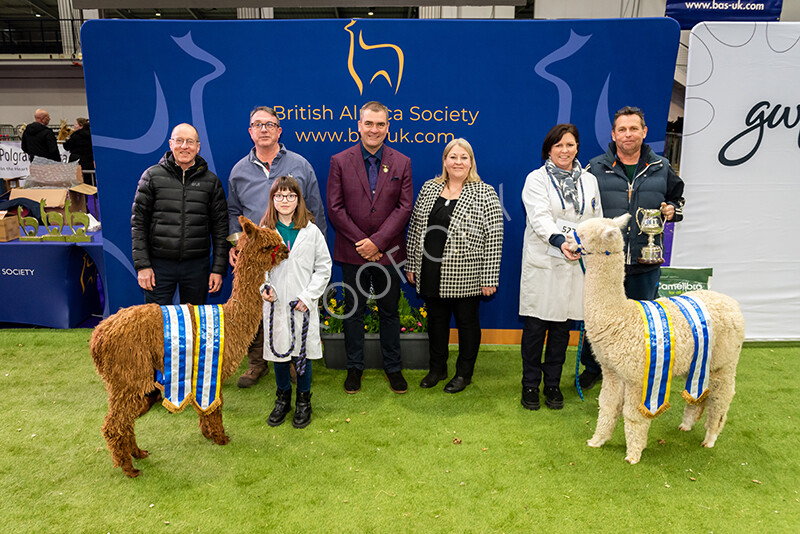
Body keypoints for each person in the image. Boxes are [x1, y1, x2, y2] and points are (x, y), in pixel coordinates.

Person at [579, 106, 685, 389]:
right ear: (613, 134)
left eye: (634, 128)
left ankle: (640, 368)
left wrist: (672, 209)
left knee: (643, 321)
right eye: (622, 129)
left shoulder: (662, 167)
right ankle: (592, 368)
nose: (628, 134)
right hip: (605, 264)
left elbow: (678, 198)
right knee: (601, 319)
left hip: (645, 259)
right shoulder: (595, 167)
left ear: (644, 131)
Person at [228, 106, 327, 389]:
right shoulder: (239, 171)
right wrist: (238, 246)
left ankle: (295, 361)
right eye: (257, 124)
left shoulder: (300, 165)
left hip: (294, 249)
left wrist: (312, 248)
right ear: (250, 131)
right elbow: (232, 212)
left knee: (292, 306)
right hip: (256, 257)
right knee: (256, 305)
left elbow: (315, 210)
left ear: (279, 130)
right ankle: (257, 363)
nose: (264, 129)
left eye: (270, 124)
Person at [327, 101, 413, 395]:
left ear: (388, 127)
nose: (374, 130)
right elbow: (335, 209)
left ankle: (393, 368)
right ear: (358, 125)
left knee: (390, 312)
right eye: (368, 124)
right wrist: (363, 243)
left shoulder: (402, 162)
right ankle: (354, 368)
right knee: (353, 311)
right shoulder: (340, 160)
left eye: (380, 124)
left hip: (388, 253)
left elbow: (404, 208)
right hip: (353, 252)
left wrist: (378, 242)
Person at [405, 138, 503, 394]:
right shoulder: (429, 188)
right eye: (453, 157)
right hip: (430, 270)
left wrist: (489, 277)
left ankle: (464, 373)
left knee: (467, 324)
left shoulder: (485, 192)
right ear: (445, 161)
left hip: (467, 274)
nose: (458, 162)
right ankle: (437, 369)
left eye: (464, 157)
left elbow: (494, 236)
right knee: (436, 323)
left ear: (471, 162)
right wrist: (412, 264)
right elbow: (416, 228)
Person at [519, 124, 603, 410]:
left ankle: (552, 384)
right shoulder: (536, 179)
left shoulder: (589, 180)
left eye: (570, 145)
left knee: (562, 329)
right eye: (559, 146)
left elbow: (596, 217)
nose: (565, 151)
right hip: (546, 261)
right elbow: (539, 217)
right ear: (549, 149)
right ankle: (530, 384)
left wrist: (589, 246)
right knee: (535, 328)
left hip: (574, 264)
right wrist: (560, 241)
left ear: (577, 147)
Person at [259, 176, 331, 429]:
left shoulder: (311, 231)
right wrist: (264, 288)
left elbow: (323, 268)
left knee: (303, 353)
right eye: (280, 196)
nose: (285, 200)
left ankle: (303, 400)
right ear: (273, 200)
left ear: (299, 199)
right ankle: (282, 399)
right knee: (279, 354)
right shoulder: (264, 232)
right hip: (276, 305)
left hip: (302, 305)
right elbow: (257, 268)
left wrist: (308, 296)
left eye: (291, 196)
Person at [131, 123, 229, 306]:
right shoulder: (151, 177)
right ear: (170, 143)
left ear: (198, 146)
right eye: (180, 141)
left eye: (190, 142)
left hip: (197, 268)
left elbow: (221, 230)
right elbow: (139, 224)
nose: (184, 146)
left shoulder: (212, 182)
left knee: (194, 323)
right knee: (156, 323)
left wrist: (217, 269)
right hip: (159, 266)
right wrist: (143, 266)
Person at [63, 117, 95, 185]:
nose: (74, 126)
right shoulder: (91, 136)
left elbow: (67, 146)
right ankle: (90, 195)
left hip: (76, 161)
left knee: (77, 181)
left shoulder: (75, 136)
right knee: (89, 180)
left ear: (81, 126)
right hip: (88, 160)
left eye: (76, 124)